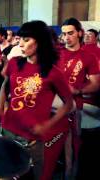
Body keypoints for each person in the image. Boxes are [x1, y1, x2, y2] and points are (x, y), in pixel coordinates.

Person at [0, 20, 73, 180]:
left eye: (26, 40)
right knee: (2, 172)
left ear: (40, 42)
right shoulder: (15, 63)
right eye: (20, 39)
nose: (21, 44)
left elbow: (69, 104)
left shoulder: (53, 73)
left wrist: (47, 125)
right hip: (7, 129)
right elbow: (6, 83)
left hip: (31, 139)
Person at [59, 17, 100, 180]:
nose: (66, 38)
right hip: (53, 106)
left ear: (79, 33)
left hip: (75, 107)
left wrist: (76, 90)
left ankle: (70, 175)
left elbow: (96, 84)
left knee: (73, 149)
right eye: (63, 34)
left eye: (70, 33)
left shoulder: (89, 56)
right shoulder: (57, 54)